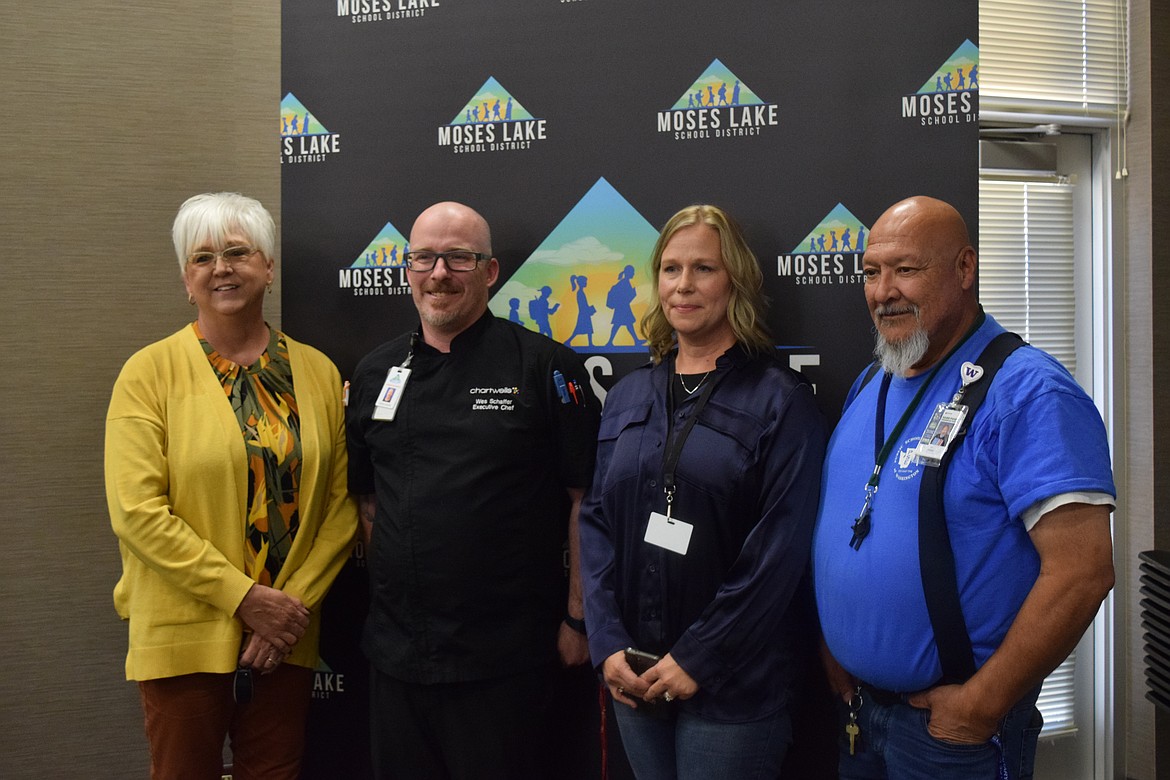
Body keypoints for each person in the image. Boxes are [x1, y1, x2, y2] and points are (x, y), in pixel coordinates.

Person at [813, 196, 1115, 780]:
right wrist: (840, 648)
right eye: (872, 273)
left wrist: (980, 706)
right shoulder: (871, 382)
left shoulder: (1029, 393)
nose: (883, 292)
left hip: (949, 733)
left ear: (964, 268)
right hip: (862, 715)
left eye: (906, 269)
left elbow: (1083, 571)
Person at [105, 192, 359, 780]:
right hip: (183, 636)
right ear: (185, 280)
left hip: (285, 642)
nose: (221, 268)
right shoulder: (147, 374)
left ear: (268, 267)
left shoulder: (318, 372)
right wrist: (248, 602)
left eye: (238, 252)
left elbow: (342, 507)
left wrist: (288, 613)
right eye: (202, 258)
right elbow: (138, 513)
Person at [345, 201, 602, 779]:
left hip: (505, 659)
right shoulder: (374, 372)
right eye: (424, 258)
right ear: (407, 269)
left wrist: (578, 618)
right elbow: (368, 502)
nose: (439, 273)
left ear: (489, 271)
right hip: (396, 656)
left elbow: (584, 501)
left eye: (458, 258)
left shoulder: (546, 366)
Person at [579, 204, 827, 779]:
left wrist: (699, 657)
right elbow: (595, 524)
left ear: (734, 281)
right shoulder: (628, 395)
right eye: (670, 269)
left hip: (733, 688)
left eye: (703, 269)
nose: (683, 285)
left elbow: (779, 552)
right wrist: (608, 642)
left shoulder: (780, 400)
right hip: (635, 675)